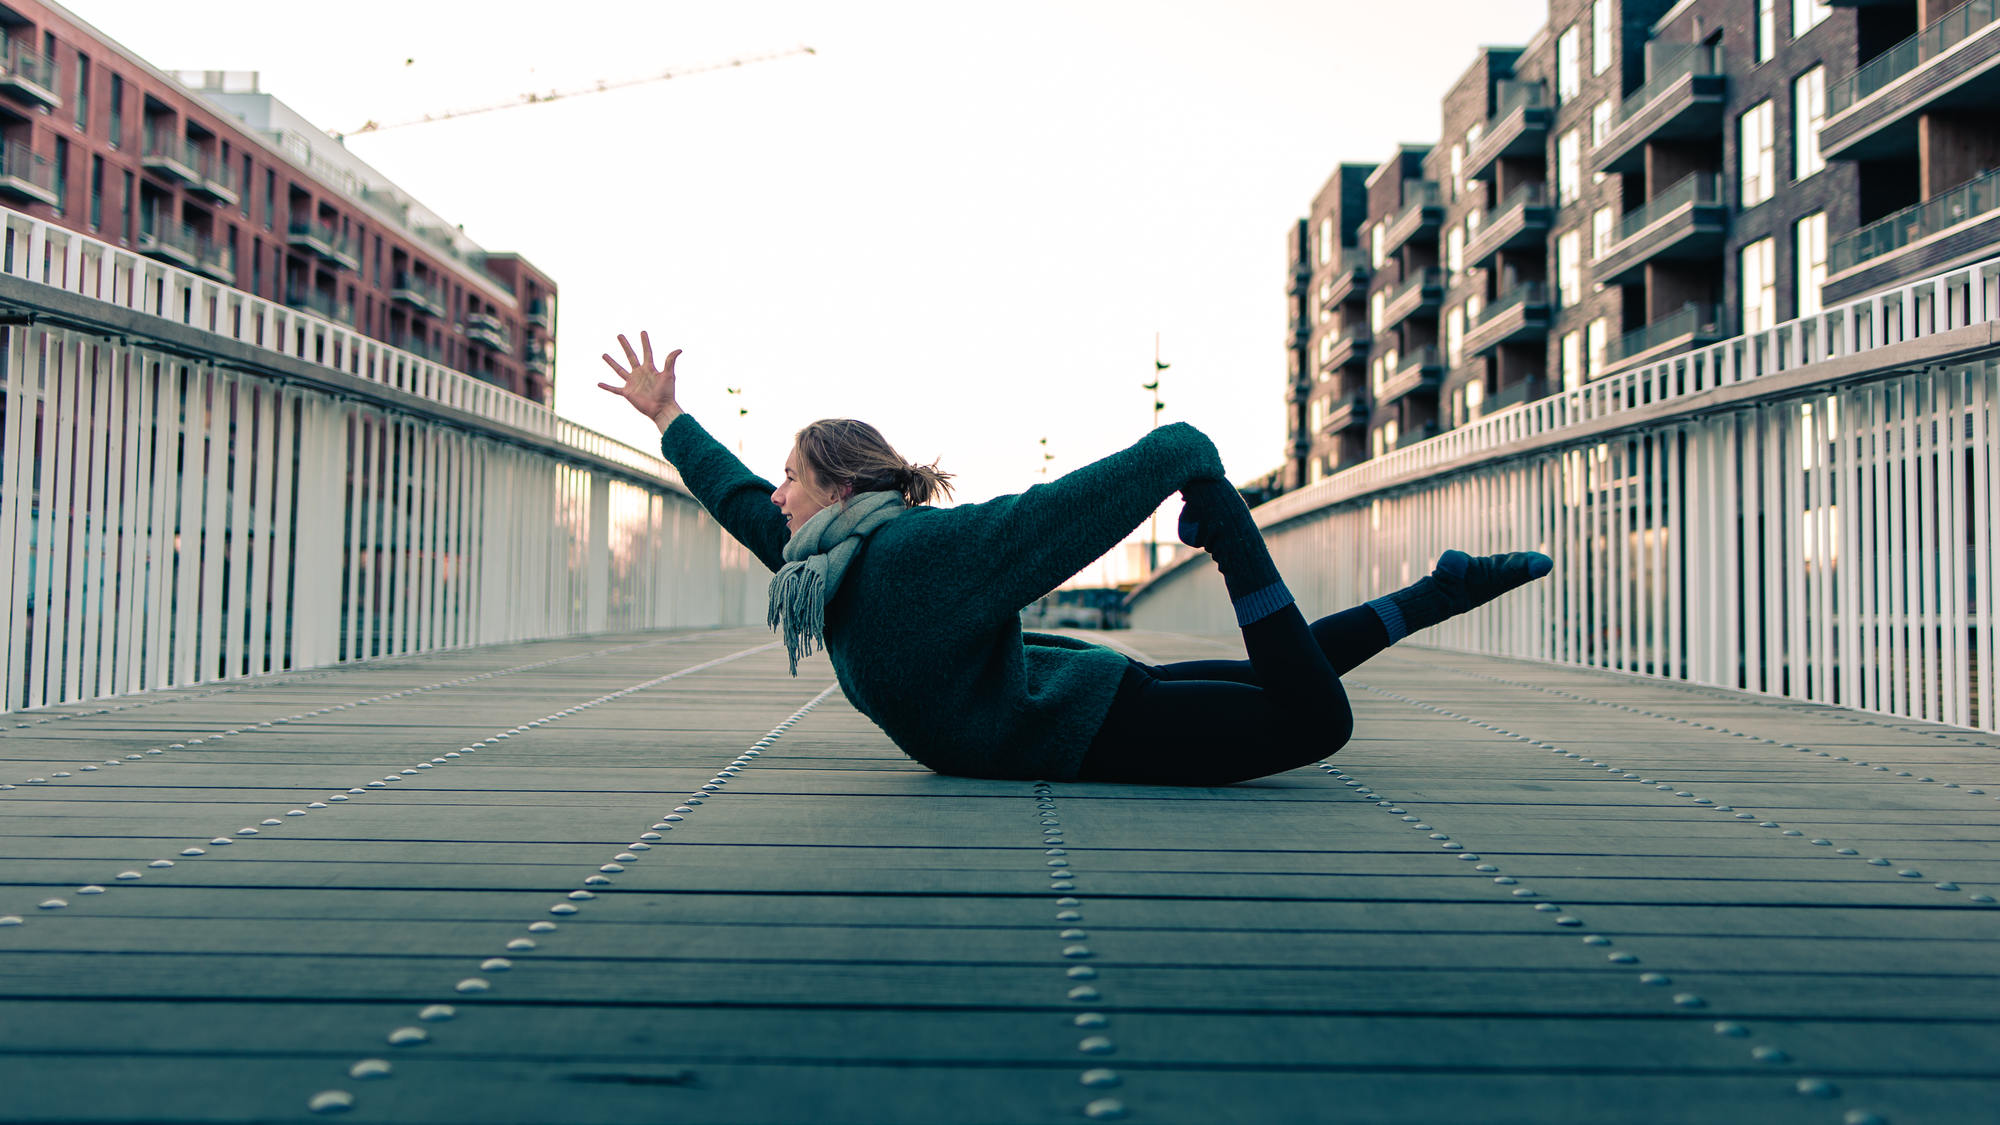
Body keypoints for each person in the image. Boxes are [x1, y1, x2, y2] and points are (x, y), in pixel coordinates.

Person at [600, 333, 1551, 786]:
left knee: (1311, 722)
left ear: (842, 491)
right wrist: (667, 417)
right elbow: (731, 496)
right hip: (1060, 703)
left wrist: (1179, 455)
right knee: (1258, 678)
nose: (776, 497)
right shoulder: (822, 564)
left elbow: (1055, 515)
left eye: (792, 478)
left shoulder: (920, 554)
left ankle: (1245, 543)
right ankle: (1440, 590)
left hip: (1084, 729)